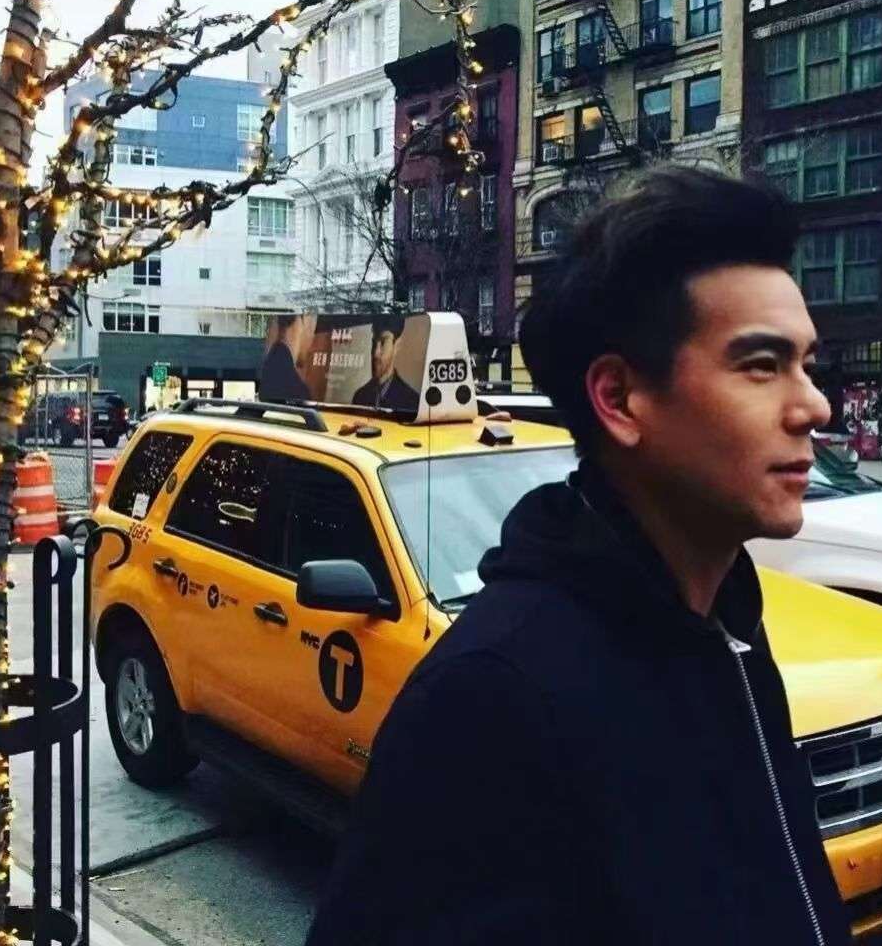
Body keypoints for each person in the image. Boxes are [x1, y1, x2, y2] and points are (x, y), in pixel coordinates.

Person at [307, 168, 851, 945]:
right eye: (761, 365)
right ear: (619, 399)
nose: (814, 405)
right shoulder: (490, 698)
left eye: (806, 364)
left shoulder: (727, 624)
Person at [352, 315, 419, 413]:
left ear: (397, 345)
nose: (376, 353)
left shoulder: (411, 402)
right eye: (374, 342)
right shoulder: (359, 397)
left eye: (383, 342)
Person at [259, 314, 314, 402]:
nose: (312, 336)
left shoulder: (265, 375)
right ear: (301, 321)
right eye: (312, 326)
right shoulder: (298, 392)